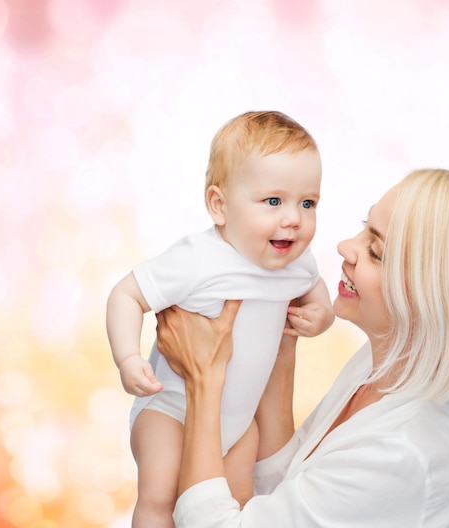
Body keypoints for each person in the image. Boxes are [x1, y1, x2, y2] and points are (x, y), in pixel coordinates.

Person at [155, 168, 449, 527]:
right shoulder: (394, 361)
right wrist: (281, 351)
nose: (344, 247)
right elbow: (293, 489)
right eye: (363, 228)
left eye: (376, 251)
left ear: (435, 299)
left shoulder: (404, 452)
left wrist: (204, 378)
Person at [106, 111, 335, 527]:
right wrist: (127, 358)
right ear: (219, 206)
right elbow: (126, 294)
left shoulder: (297, 262)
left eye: (308, 203)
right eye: (273, 201)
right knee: (160, 497)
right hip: (171, 410)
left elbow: (317, 294)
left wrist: (321, 317)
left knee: (237, 505)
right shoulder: (198, 260)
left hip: (238, 422)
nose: (294, 218)